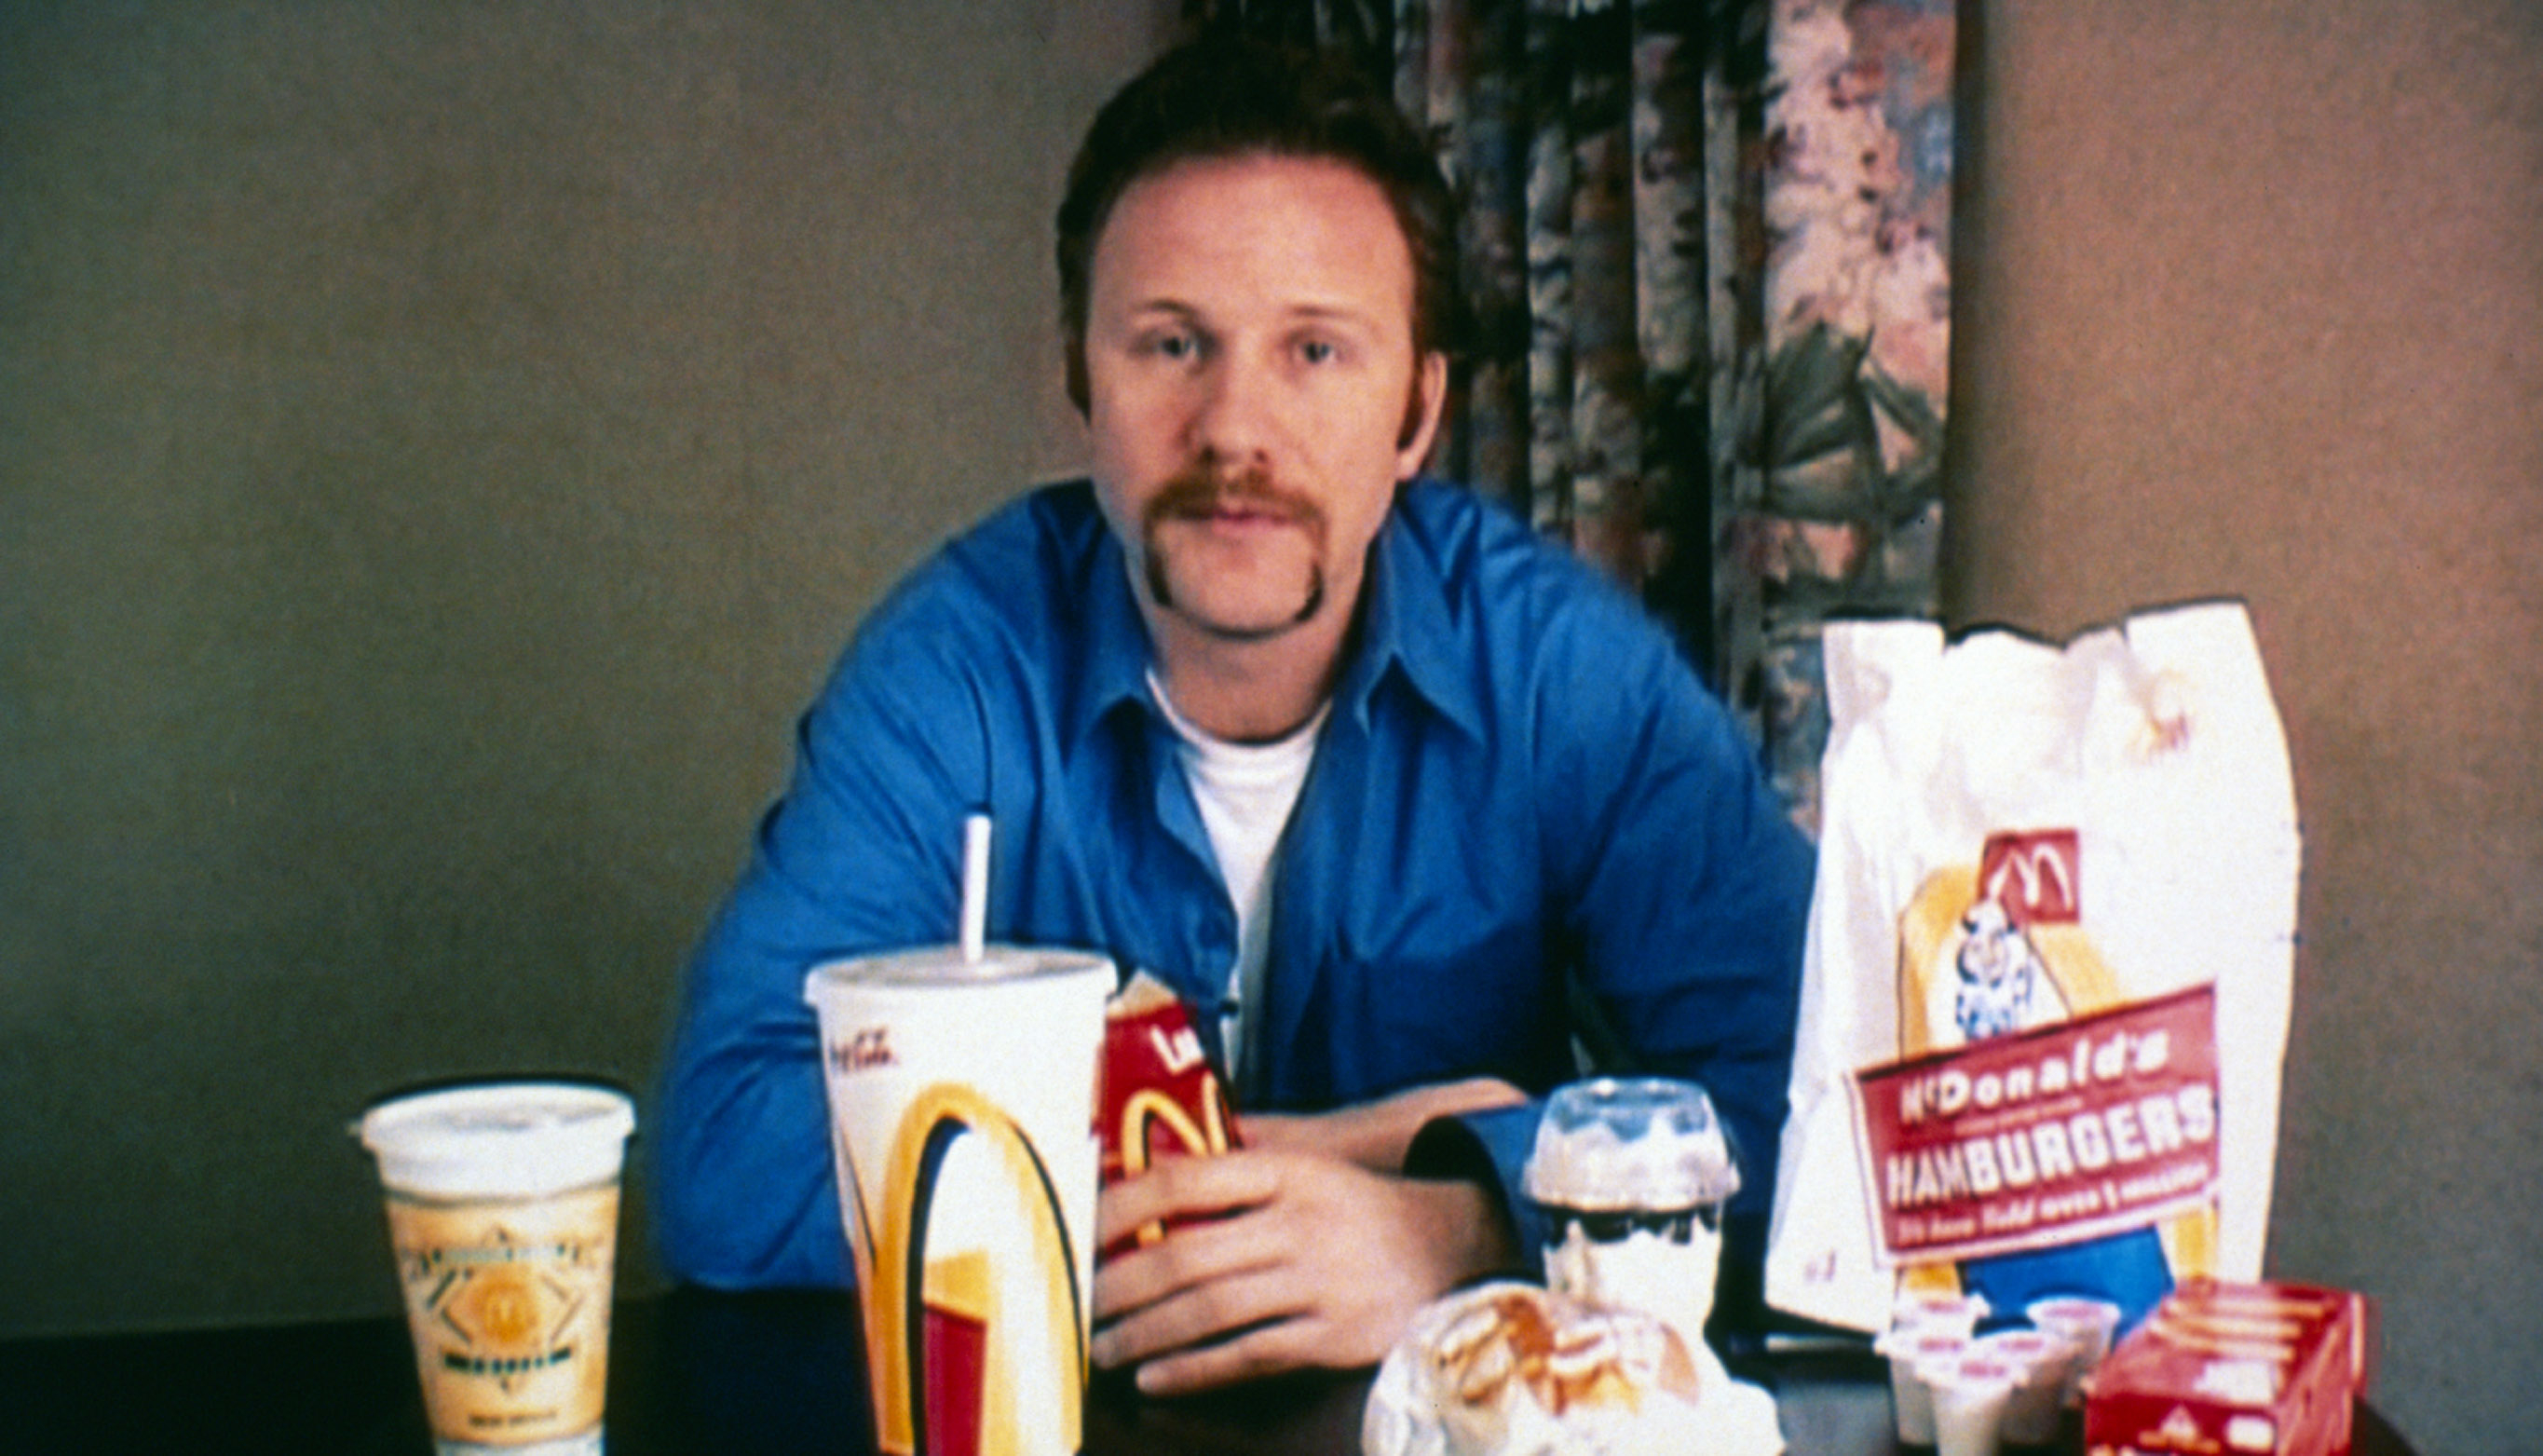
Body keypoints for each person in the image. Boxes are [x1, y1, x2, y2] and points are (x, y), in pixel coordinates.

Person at [654, 36, 1815, 1396]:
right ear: (1080, 386)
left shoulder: (1562, 677)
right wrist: (1347, 1146)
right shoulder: (952, 670)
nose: (1233, 429)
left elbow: (1825, 1120)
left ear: (1416, 410)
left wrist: (1464, 1223)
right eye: (1170, 346)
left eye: (1314, 350)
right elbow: (724, 1154)